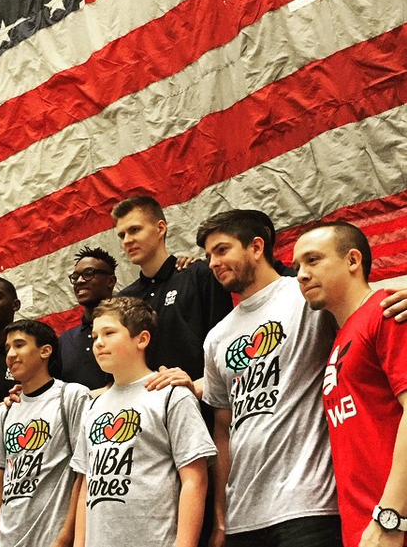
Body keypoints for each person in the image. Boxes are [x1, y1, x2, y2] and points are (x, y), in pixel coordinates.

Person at [198, 210, 342, 547]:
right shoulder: (217, 337)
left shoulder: (305, 296)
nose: (213, 263)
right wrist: (220, 517)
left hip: (308, 505)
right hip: (243, 517)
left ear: (256, 247)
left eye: (222, 250)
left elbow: (363, 300)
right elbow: (223, 429)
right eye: (208, 256)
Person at [293, 222, 407, 547]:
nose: (301, 274)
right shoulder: (340, 337)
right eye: (297, 266)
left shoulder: (388, 310)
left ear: (353, 260)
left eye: (313, 260)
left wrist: (391, 517)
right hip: (363, 529)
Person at [71, 297, 217, 547]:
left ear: (142, 339)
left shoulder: (171, 394)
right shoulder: (94, 406)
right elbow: (87, 482)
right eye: (94, 336)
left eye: (109, 333)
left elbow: (195, 479)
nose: (99, 343)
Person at [0, 320, 90, 547]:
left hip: (52, 538)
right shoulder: (3, 413)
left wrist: (66, 537)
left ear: (45, 351)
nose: (11, 354)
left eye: (19, 345)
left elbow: (84, 472)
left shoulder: (71, 396)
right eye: (7, 348)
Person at [113, 196, 233, 380]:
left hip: (202, 399)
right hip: (147, 404)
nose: (127, 241)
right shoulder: (123, 300)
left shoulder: (199, 274)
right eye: (122, 235)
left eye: (135, 230)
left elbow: (224, 342)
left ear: (160, 228)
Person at [58, 245, 117, 389]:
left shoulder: (130, 328)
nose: (79, 281)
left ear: (110, 281)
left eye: (88, 273)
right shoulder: (64, 342)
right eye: (75, 277)